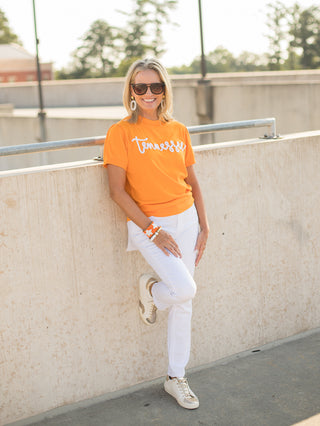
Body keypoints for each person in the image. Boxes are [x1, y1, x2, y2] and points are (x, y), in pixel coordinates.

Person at [103, 57, 209, 410]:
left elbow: (191, 181)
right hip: (151, 226)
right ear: (131, 92)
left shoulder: (178, 130)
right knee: (184, 290)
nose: (149, 93)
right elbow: (117, 191)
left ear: (165, 90)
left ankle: (175, 376)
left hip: (187, 219)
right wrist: (153, 230)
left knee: (185, 302)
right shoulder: (121, 133)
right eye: (140, 86)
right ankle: (152, 288)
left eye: (156, 86)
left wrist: (204, 224)